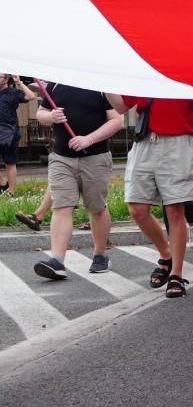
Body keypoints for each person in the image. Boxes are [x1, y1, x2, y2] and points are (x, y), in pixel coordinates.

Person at [108, 95, 193, 297]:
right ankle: (166, 255)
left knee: (175, 210)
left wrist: (182, 79)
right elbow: (121, 107)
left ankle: (176, 274)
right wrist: (102, 83)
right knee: (137, 209)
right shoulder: (144, 70)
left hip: (178, 143)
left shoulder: (185, 69)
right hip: (145, 141)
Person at [32, 83, 123, 279]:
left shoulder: (100, 85)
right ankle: (56, 260)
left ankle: (100, 254)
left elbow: (117, 120)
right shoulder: (56, 84)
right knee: (62, 205)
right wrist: (51, 117)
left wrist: (88, 139)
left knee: (96, 207)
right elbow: (41, 112)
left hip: (95, 156)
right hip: (61, 157)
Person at [0, 74, 36, 196]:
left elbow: (31, 96)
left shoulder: (13, 92)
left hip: (8, 132)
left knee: (9, 162)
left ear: (5, 80)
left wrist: (19, 82)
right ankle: (3, 183)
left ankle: (11, 193)